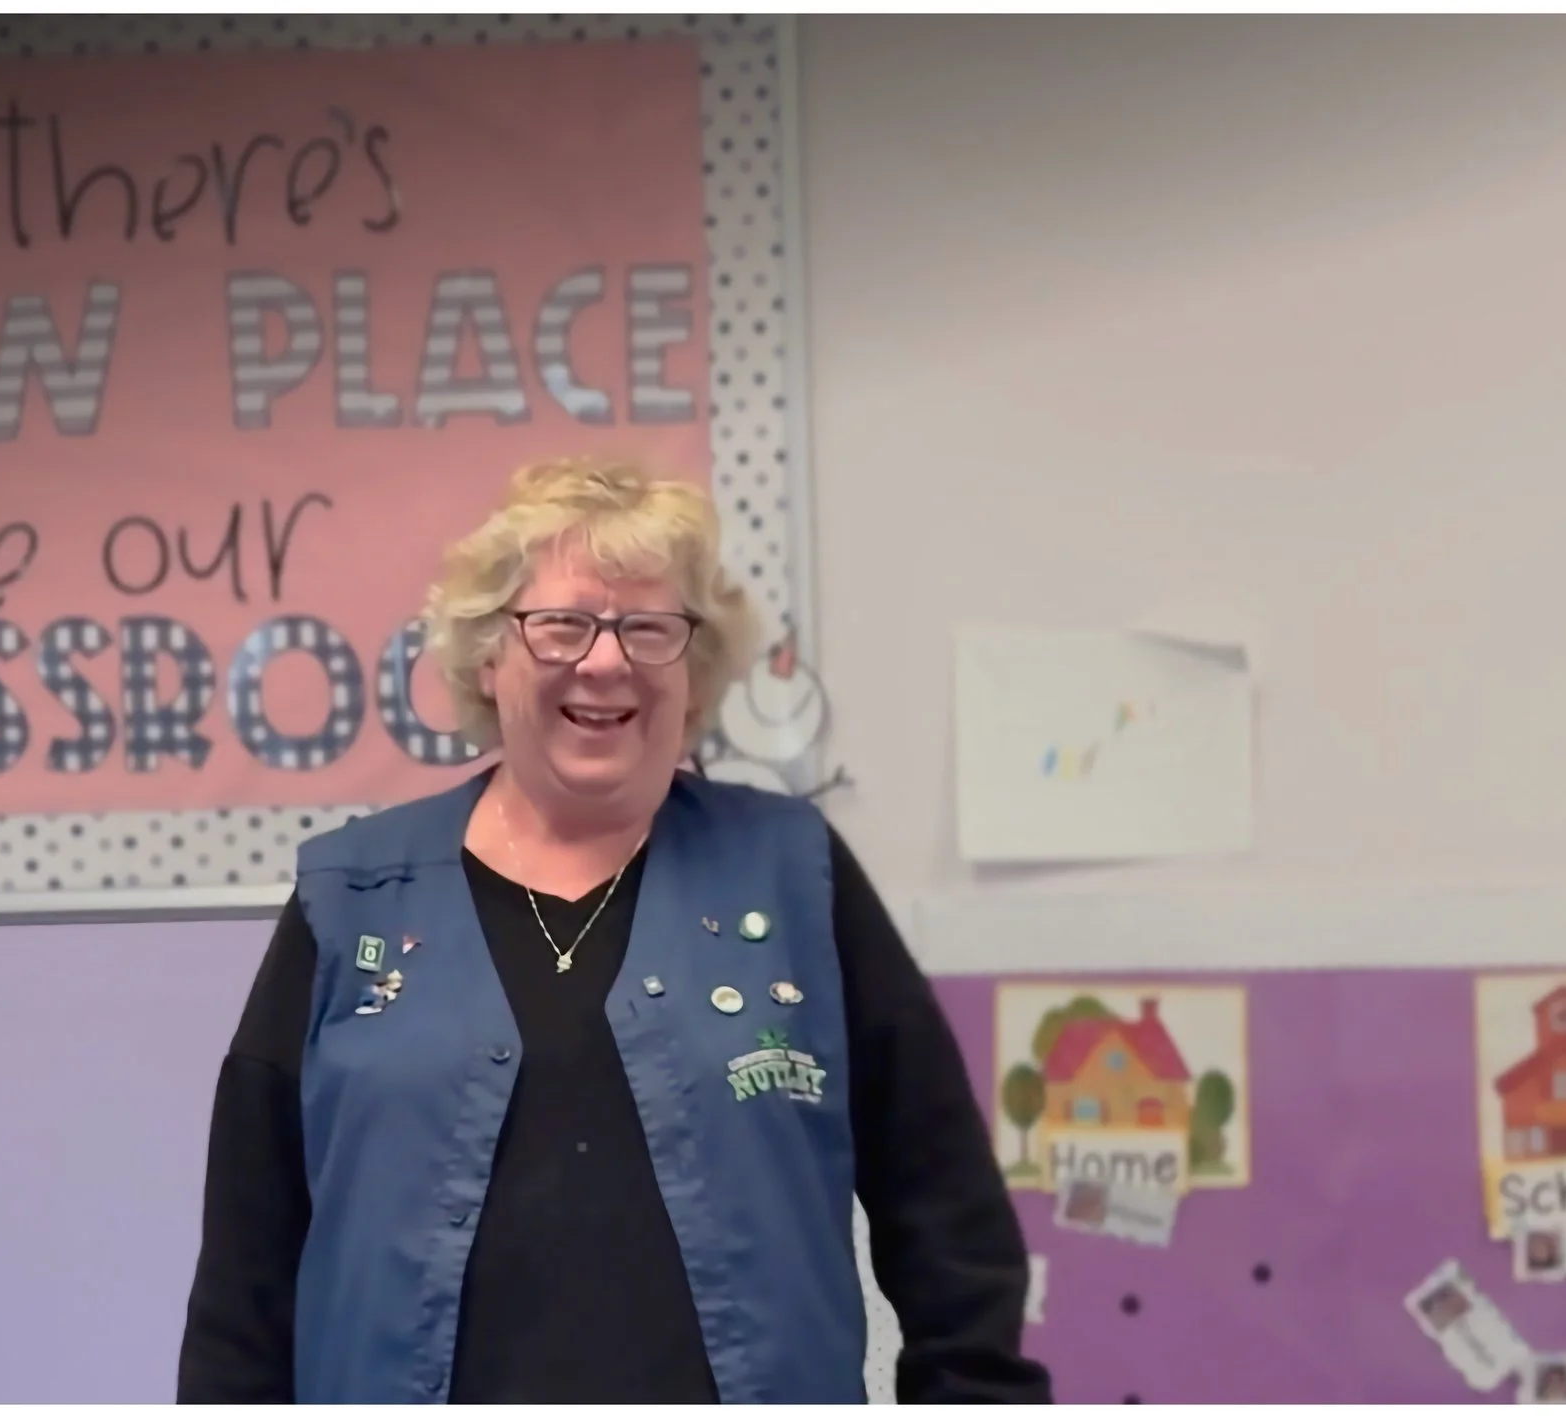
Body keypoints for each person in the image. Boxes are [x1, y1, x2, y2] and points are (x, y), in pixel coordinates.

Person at [176, 456, 1051, 1404]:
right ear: (487, 656)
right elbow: (246, 1270)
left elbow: (949, 1218)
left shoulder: (793, 875)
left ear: (696, 671)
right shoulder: (352, 897)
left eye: (649, 628)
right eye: (560, 626)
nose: (605, 660)